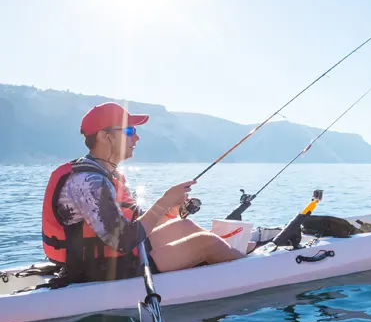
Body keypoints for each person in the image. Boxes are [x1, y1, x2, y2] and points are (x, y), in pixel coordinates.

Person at [42, 102, 245, 282]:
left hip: (115, 255)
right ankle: (245, 266)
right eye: (129, 131)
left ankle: (236, 253)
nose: (136, 137)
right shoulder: (89, 182)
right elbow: (123, 240)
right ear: (105, 136)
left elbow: (136, 223)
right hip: (100, 268)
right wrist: (164, 201)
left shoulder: (107, 173)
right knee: (206, 242)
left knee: (184, 225)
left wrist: (171, 209)